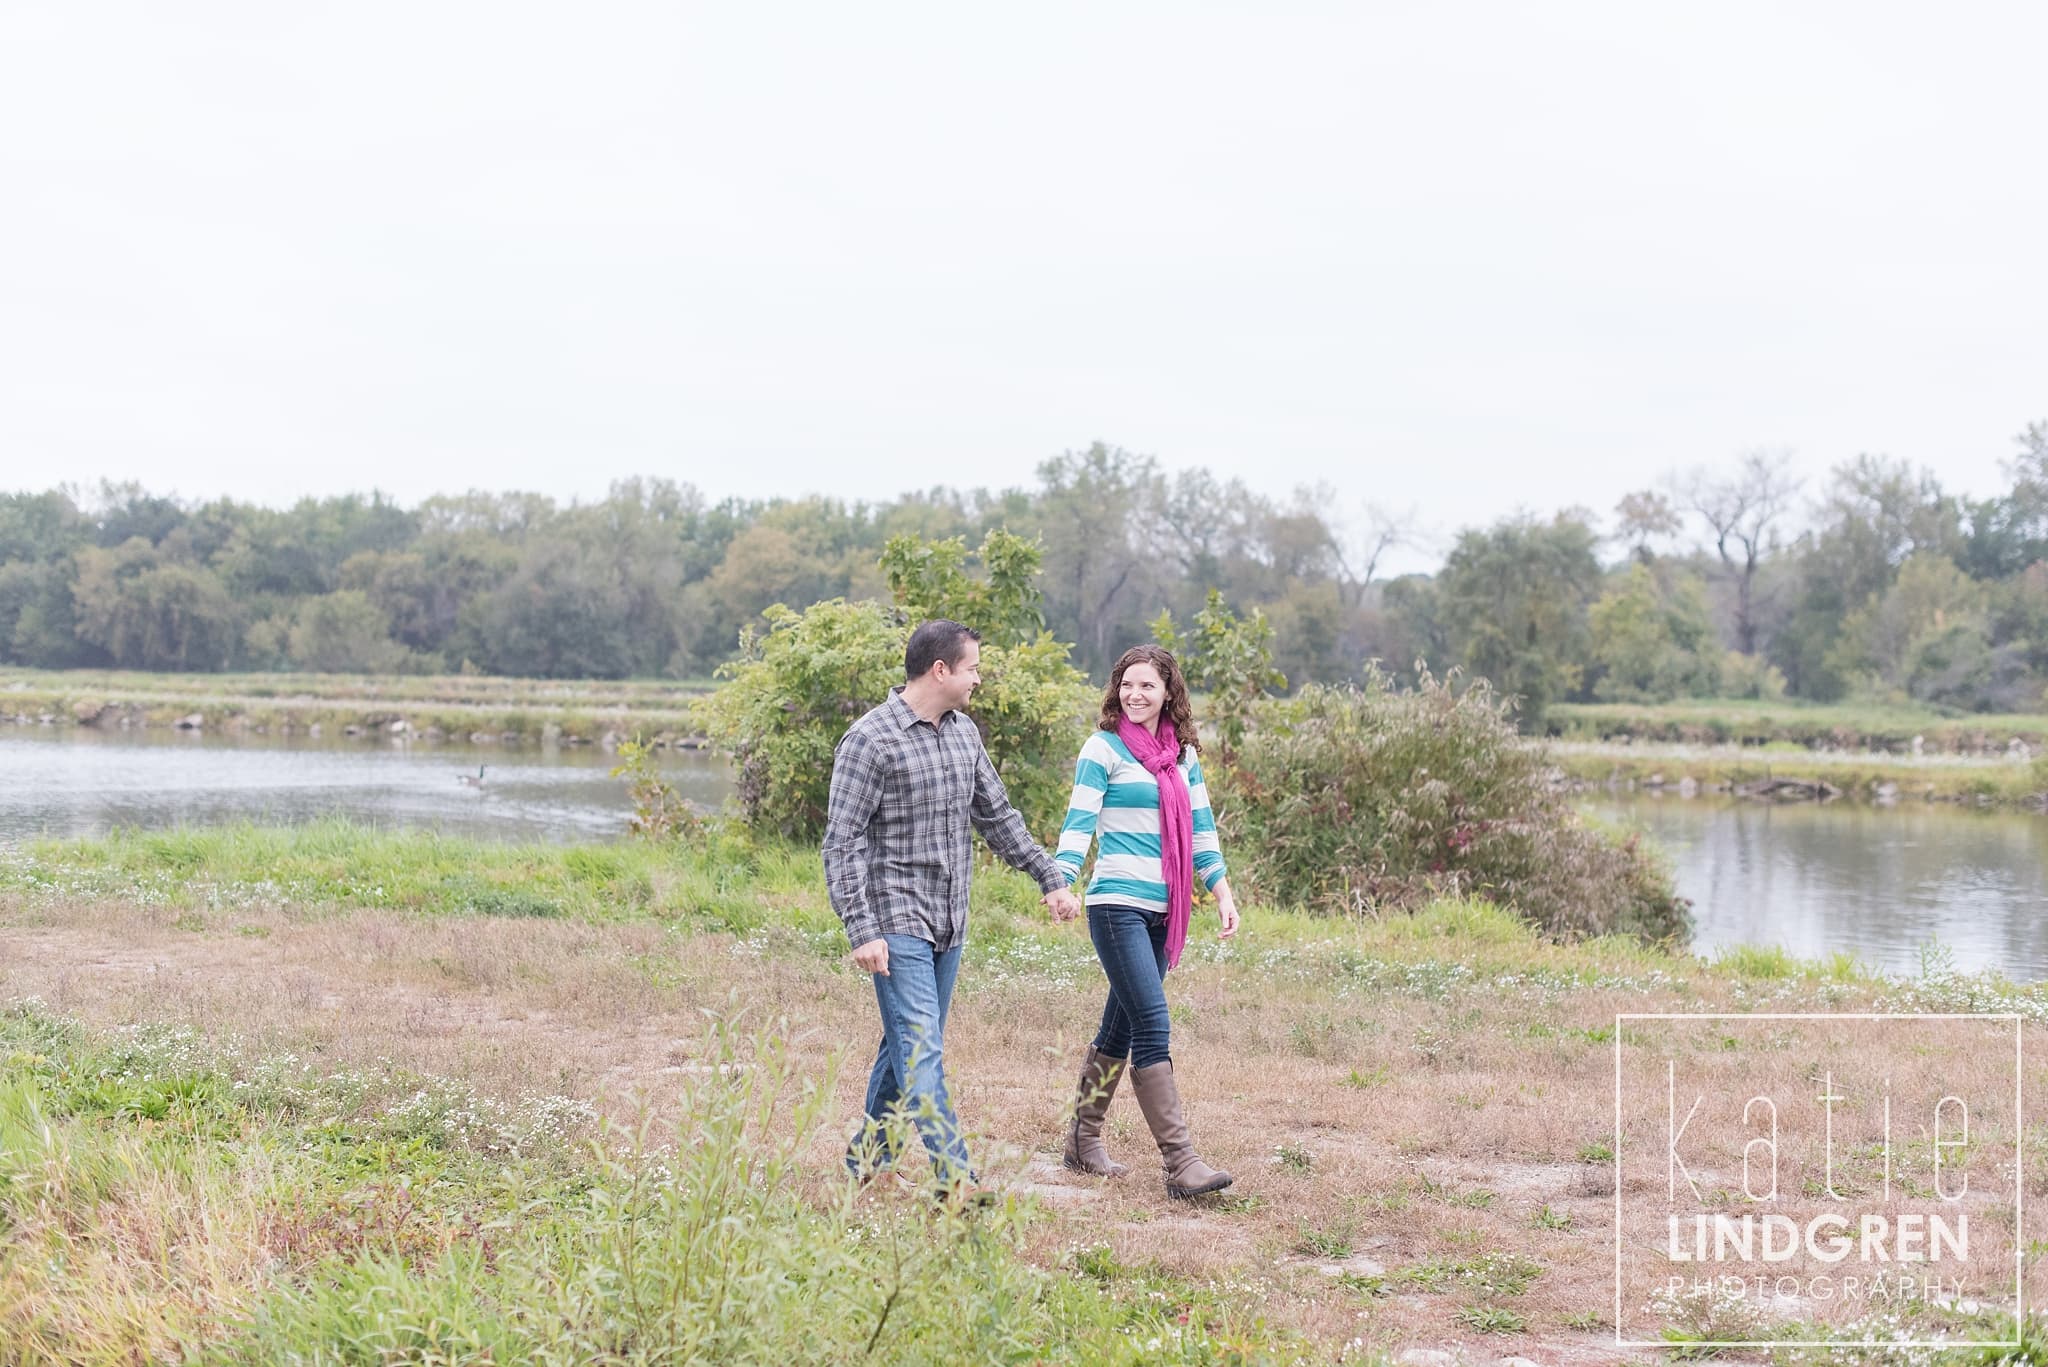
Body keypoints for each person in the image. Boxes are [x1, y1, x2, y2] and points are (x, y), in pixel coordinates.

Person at [823, 618, 1083, 1201]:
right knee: (920, 1048)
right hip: (895, 920)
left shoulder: (964, 733)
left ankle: (868, 1164)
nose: (978, 679)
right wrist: (861, 928)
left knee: (906, 1046)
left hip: (950, 918)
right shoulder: (871, 740)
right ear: (940, 670)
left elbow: (997, 815)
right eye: (972, 668)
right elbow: (841, 842)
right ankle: (956, 1180)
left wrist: (1050, 877)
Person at [1054, 643, 1238, 1198]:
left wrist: (1223, 893)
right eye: (1127, 685)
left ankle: (1082, 1142)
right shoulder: (1102, 748)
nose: (1136, 695)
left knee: (1122, 1025)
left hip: (1167, 908)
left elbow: (1202, 832)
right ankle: (1181, 1165)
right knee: (1152, 1021)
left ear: (1167, 694)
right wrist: (1060, 879)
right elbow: (1079, 823)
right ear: (1117, 689)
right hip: (1116, 905)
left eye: (1147, 687)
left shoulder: (1182, 757)